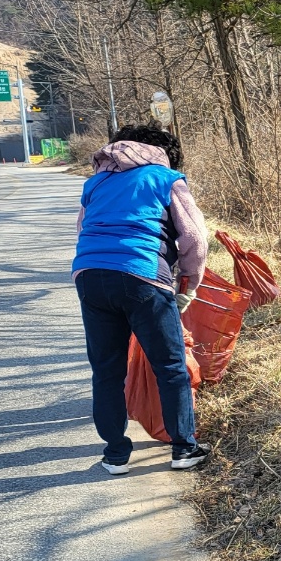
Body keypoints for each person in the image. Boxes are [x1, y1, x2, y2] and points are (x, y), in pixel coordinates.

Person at [72, 124, 211, 475]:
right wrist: (189, 283)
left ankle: (115, 453)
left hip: (90, 276)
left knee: (106, 370)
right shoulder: (166, 178)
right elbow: (194, 236)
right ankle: (183, 447)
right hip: (142, 274)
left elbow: (82, 229)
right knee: (169, 365)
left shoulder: (95, 183)